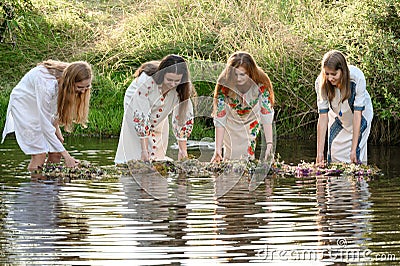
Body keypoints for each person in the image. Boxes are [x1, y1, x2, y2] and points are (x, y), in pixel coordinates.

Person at [2, 60, 93, 171]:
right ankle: (36, 185)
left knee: (56, 150)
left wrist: (56, 129)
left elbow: (54, 108)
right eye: (79, 87)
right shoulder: (46, 84)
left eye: (87, 87)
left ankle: (50, 185)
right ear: (69, 82)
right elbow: (45, 123)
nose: (83, 91)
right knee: (39, 154)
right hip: (25, 104)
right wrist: (67, 157)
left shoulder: (67, 75)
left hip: (41, 104)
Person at [114, 54, 195, 163]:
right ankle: (136, 161)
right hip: (135, 101)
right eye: (169, 79)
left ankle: (156, 162)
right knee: (138, 141)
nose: (172, 84)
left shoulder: (183, 87)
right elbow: (141, 116)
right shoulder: (146, 82)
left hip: (162, 104)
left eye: (177, 81)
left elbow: (183, 117)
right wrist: (144, 150)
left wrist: (182, 150)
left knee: (158, 135)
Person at [211, 51, 275, 162]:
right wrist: (217, 149)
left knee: (247, 150)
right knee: (231, 152)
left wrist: (269, 144)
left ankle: (248, 171)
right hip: (231, 115)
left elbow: (266, 114)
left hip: (251, 115)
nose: (238, 78)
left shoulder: (261, 82)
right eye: (235, 74)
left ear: (250, 73)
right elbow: (220, 117)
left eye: (242, 74)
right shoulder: (224, 83)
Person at [315, 50, 373, 165]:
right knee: (334, 153)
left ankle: (356, 181)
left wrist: (353, 149)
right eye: (327, 74)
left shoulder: (357, 78)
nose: (330, 78)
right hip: (339, 114)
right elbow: (322, 118)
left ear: (342, 71)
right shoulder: (320, 83)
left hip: (360, 115)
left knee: (354, 156)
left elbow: (357, 115)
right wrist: (319, 153)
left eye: (334, 74)